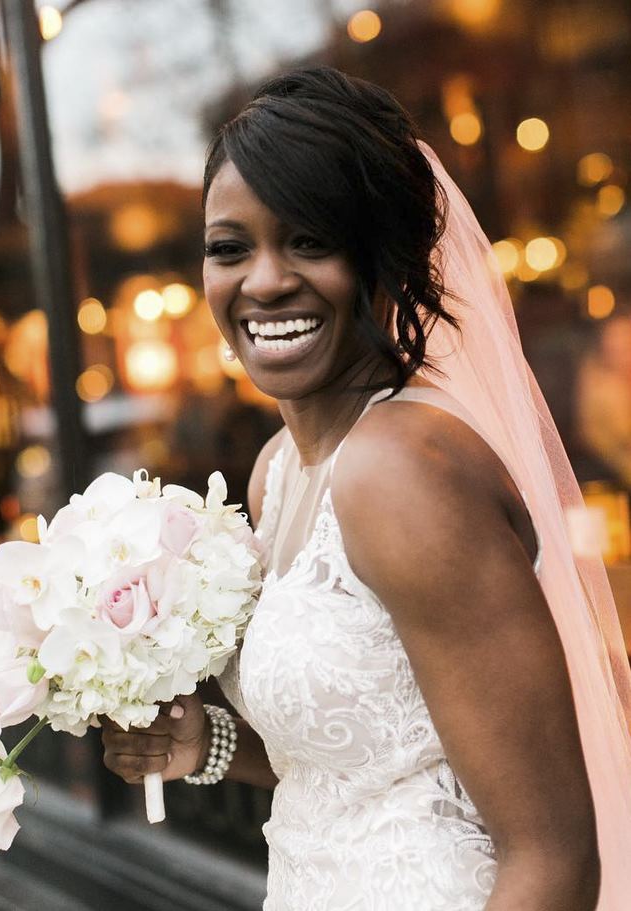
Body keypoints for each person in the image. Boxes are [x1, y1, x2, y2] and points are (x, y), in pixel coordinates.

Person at [101, 67, 631, 910]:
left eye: (310, 241)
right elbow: (365, 751)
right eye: (230, 248)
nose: (265, 281)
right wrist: (202, 741)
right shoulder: (281, 467)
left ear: (381, 258)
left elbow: (554, 857)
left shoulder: (402, 470)